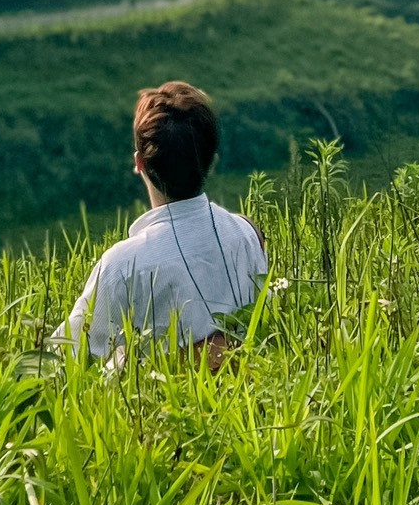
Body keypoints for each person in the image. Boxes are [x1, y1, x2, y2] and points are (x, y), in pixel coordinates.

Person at [59, 80, 267, 367]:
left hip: (157, 408)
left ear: (139, 163)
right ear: (211, 161)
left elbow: (69, 356)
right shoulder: (247, 234)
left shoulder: (122, 266)